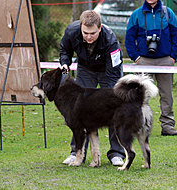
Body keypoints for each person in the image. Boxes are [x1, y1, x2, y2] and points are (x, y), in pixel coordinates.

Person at [59, 10, 125, 166]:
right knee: (78, 110)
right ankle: (77, 152)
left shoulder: (110, 40)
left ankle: (116, 153)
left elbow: (113, 73)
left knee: (113, 107)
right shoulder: (71, 31)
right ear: (80, 26)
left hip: (108, 71)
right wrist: (65, 63)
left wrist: (102, 97)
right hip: (86, 69)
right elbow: (65, 50)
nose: (88, 36)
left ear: (100, 28)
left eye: (92, 33)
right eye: (85, 33)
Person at [125, 0, 177, 136]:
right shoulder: (136, 14)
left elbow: (176, 35)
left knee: (167, 95)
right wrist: (136, 57)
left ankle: (168, 125)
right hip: (143, 60)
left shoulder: (168, 13)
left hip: (165, 60)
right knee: (140, 95)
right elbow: (129, 38)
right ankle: (139, 125)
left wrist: (173, 57)